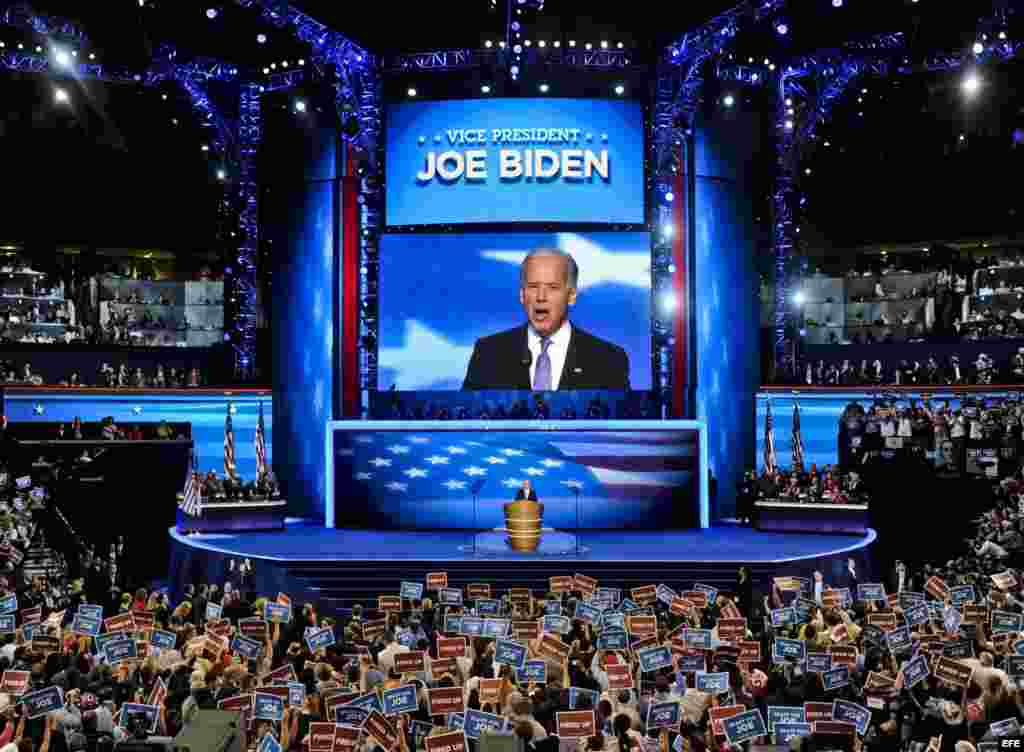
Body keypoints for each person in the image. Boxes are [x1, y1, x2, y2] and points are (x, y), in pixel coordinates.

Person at [462, 248, 630, 390]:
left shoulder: (609, 360)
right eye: (533, 287)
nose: (541, 297)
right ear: (522, 295)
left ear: (571, 296)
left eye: (553, 287)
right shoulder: (488, 353)